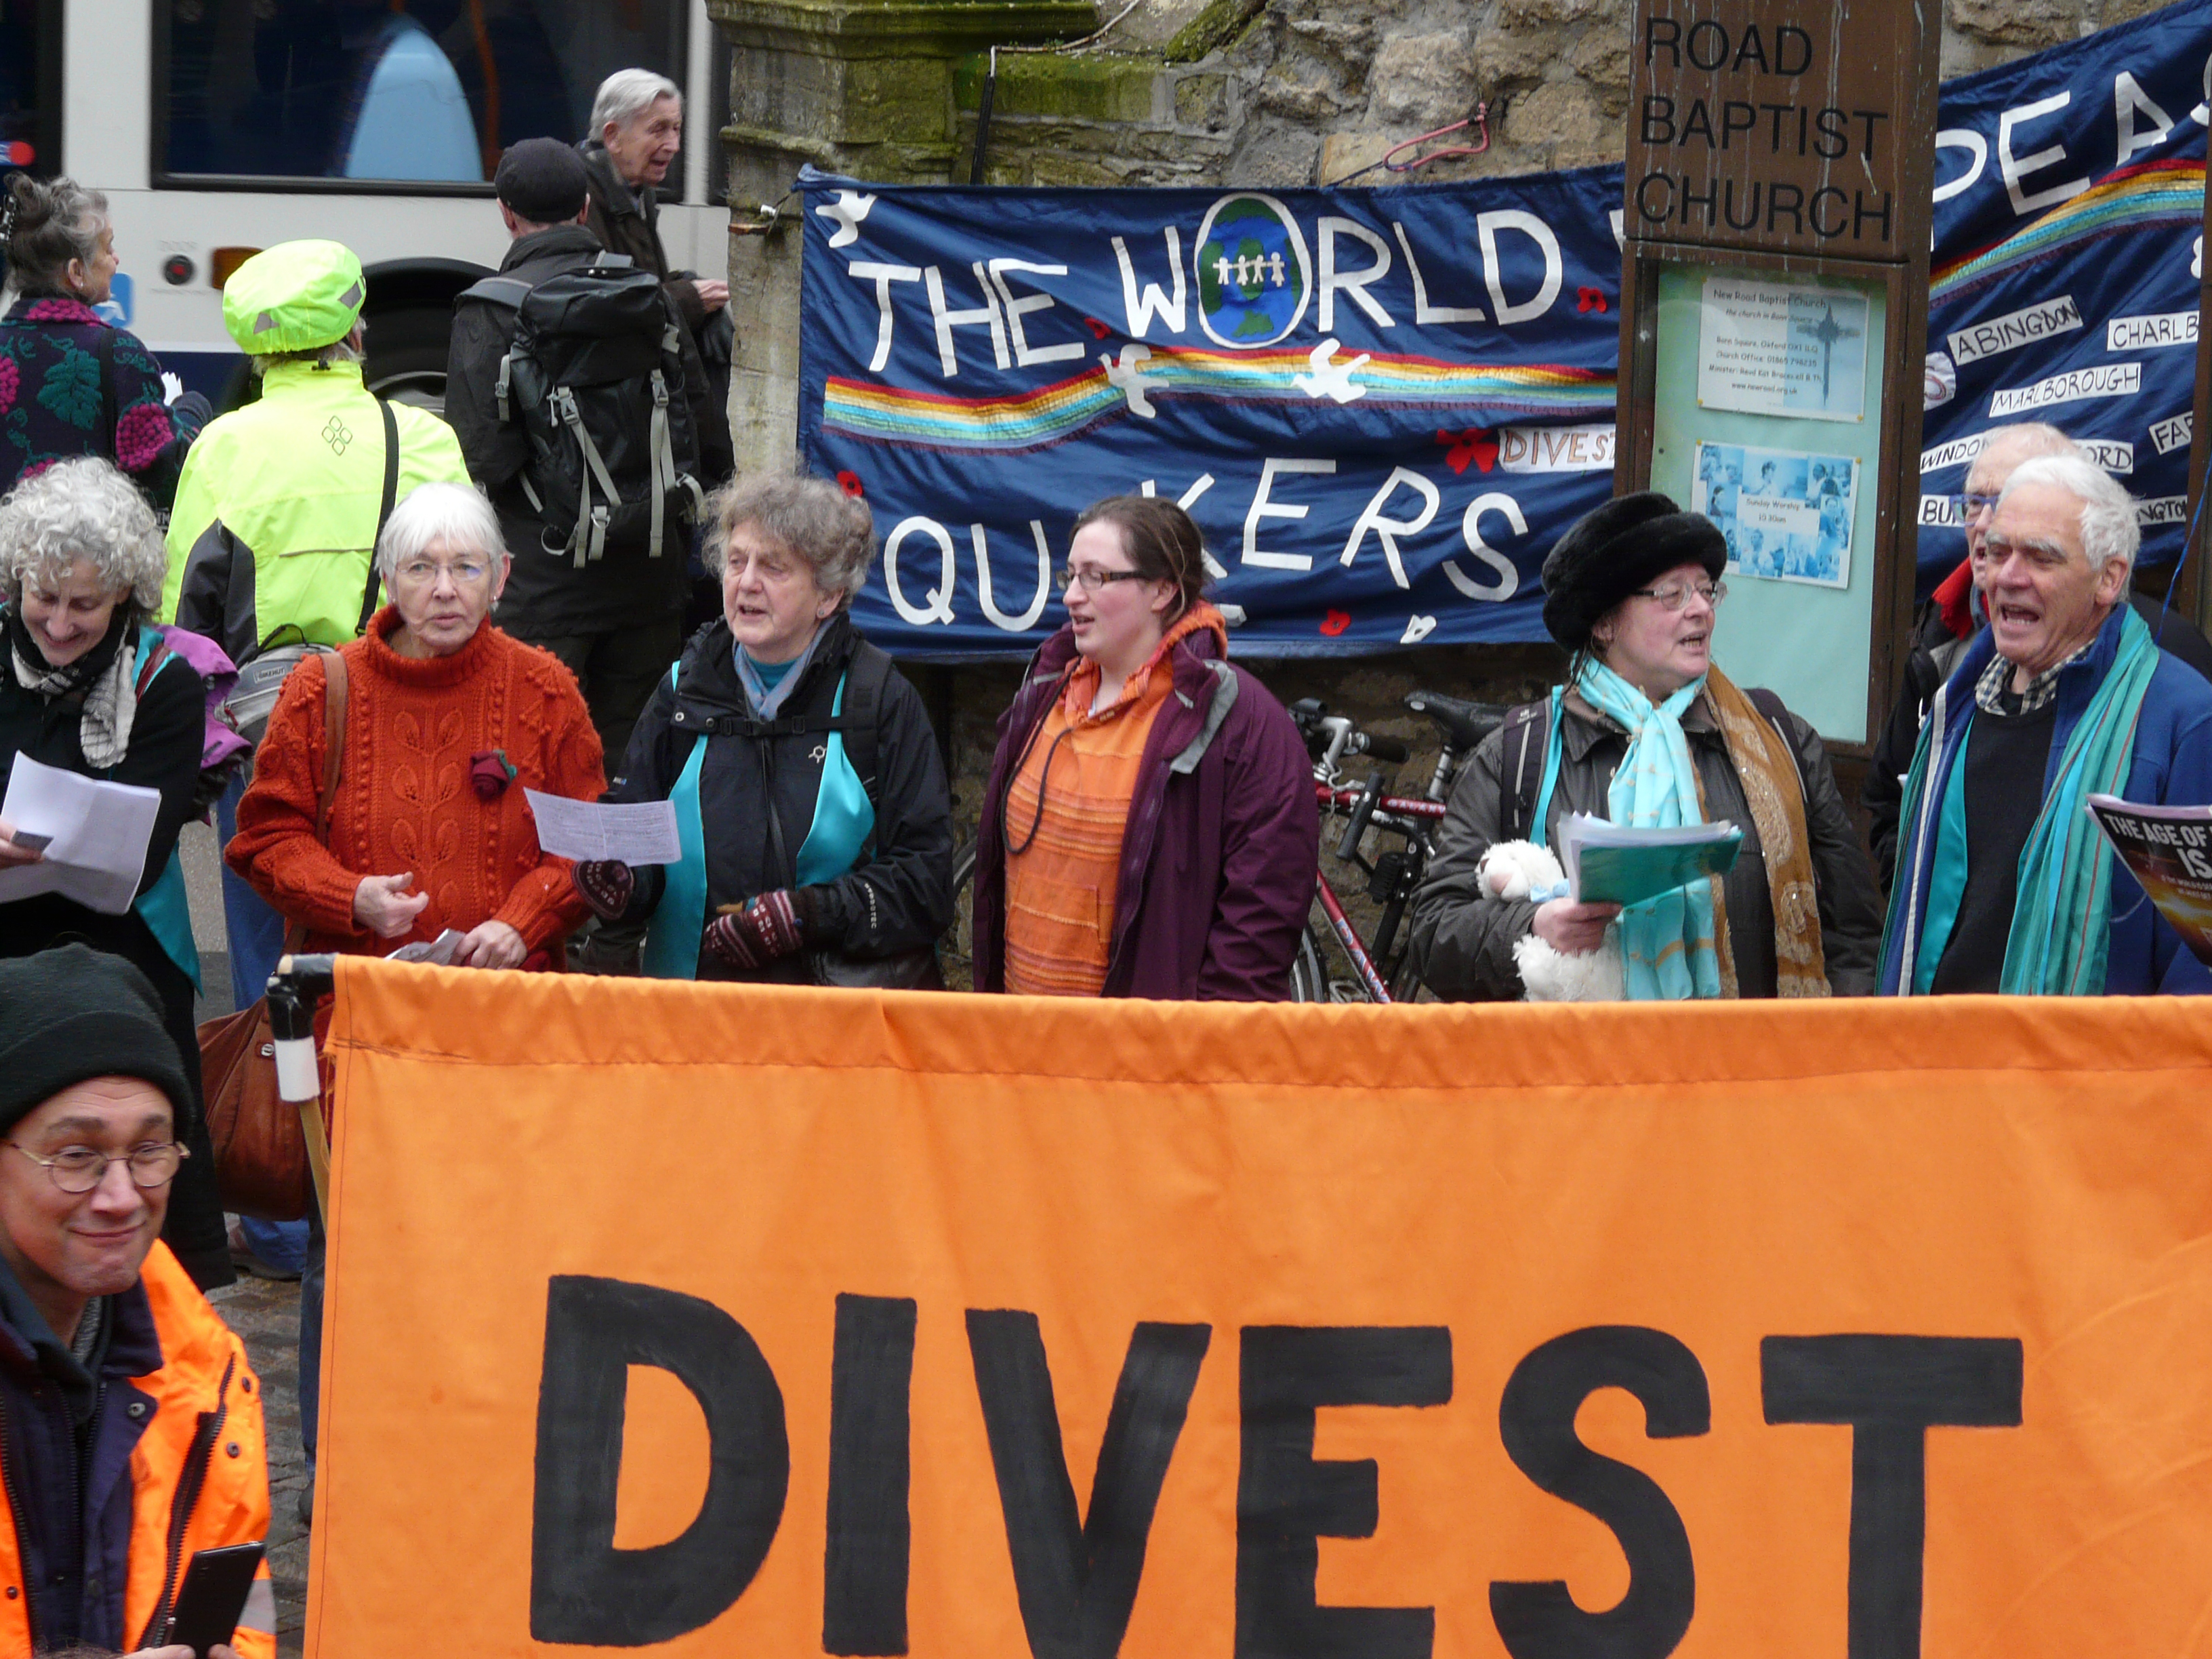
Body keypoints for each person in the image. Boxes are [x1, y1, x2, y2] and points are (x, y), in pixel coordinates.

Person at [224, 480, 604, 1519]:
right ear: (385, 579)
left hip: (502, 1032)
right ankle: (339, 1470)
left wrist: (518, 924)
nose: (444, 589)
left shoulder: (545, 691)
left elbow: (588, 847)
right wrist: (354, 898)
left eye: (465, 567)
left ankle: (487, 1464)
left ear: (502, 578)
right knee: (347, 1255)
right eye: (422, 568)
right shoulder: (322, 687)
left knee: (498, 1248)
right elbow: (263, 837)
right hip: (361, 1041)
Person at [1410, 492, 1883, 1000]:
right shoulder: (1520, 754)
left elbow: (1853, 934)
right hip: (1588, 1075)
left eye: (1706, 590)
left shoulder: (1779, 741)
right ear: (1605, 623)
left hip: (1752, 1073)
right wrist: (1533, 924)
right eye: (1673, 595)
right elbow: (1435, 930)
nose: (1701, 609)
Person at [0, 943, 272, 1659]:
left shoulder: (208, 1370)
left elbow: (244, 1612)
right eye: (77, 1157)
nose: (122, 1198)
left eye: (150, 1150)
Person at [575, 473, 954, 982]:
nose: (746, 582)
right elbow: (638, 832)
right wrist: (622, 879)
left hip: (827, 1032)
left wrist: (808, 916)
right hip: (692, 1022)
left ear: (828, 596)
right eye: (736, 561)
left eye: (773, 567)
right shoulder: (683, 688)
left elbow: (924, 884)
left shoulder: (879, 700)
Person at [0, 459, 230, 1290]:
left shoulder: (164, 677)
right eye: (43, 597)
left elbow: (158, 825)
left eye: (85, 605)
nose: (58, 624)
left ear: (125, 596)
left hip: (121, 941)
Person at [1879, 456, 2212, 996]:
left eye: (2041, 557)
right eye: (1997, 551)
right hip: (1937, 1061)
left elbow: (2198, 965)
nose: (2008, 576)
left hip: (2083, 1071)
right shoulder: (1956, 705)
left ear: (2109, 578)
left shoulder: (2183, 720)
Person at [445, 137, 729, 765]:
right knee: (630, 771)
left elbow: (483, 460)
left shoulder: (490, 309)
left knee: (527, 769)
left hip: (543, 595)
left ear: (506, 213)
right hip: (649, 587)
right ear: (583, 208)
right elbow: (708, 438)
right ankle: (620, 870)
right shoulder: (651, 297)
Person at [969, 495, 1317, 999]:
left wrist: (1189, 1054)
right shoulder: (1044, 693)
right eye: (1072, 576)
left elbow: (1258, 925)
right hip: (1024, 1048)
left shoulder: (1243, 723)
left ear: (1162, 590)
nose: (1071, 597)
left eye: (1097, 577)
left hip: (1147, 1060)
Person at [0, 174, 210, 507]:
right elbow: (165, 476)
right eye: (108, 247)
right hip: (90, 555)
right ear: (76, 274)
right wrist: (193, 408)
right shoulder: (119, 356)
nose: (116, 259)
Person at [576, 69, 730, 351]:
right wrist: (688, 298)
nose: (674, 146)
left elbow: (640, 284)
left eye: (677, 129)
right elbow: (600, 306)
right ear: (613, 136)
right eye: (658, 129)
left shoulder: (636, 190)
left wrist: (689, 286)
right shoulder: (578, 197)